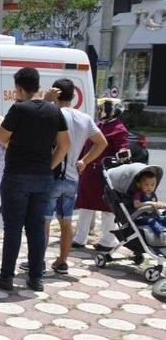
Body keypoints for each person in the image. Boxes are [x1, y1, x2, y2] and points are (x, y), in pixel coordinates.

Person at [0, 67, 69, 292]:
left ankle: (6, 276)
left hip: (17, 176)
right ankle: (36, 278)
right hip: (43, 177)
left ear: (19, 88)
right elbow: (65, 145)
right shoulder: (55, 112)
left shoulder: (19, 109)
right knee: (36, 228)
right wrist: (49, 166)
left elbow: (1, 137)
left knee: (13, 228)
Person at [20, 79, 107, 275]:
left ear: (55, 93)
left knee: (43, 221)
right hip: (72, 177)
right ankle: (62, 262)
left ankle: (37, 262)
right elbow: (102, 142)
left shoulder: (52, 113)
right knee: (66, 222)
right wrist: (84, 161)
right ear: (73, 96)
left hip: (50, 175)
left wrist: (46, 101)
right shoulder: (85, 118)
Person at [73, 98, 129, 251]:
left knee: (107, 208)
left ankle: (107, 241)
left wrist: (123, 152)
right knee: (85, 205)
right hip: (89, 172)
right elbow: (86, 146)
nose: (98, 112)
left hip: (105, 174)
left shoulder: (119, 128)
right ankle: (80, 238)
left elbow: (123, 147)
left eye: (101, 108)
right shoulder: (98, 125)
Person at [132, 171, 166, 241]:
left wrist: (162, 205)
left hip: (153, 215)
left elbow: (156, 203)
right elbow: (136, 204)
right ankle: (162, 233)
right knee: (151, 221)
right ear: (139, 185)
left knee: (163, 219)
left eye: (152, 185)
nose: (149, 187)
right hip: (141, 217)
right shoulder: (139, 193)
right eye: (146, 184)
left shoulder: (152, 194)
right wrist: (150, 203)